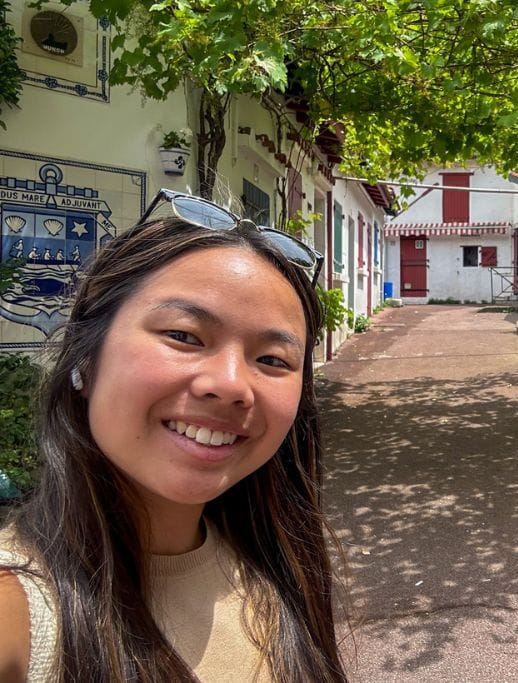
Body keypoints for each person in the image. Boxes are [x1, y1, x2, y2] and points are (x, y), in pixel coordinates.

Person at [0, 190, 347, 682]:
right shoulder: (17, 613)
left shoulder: (278, 568)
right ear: (83, 357)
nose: (230, 385)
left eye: (272, 360)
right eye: (184, 336)